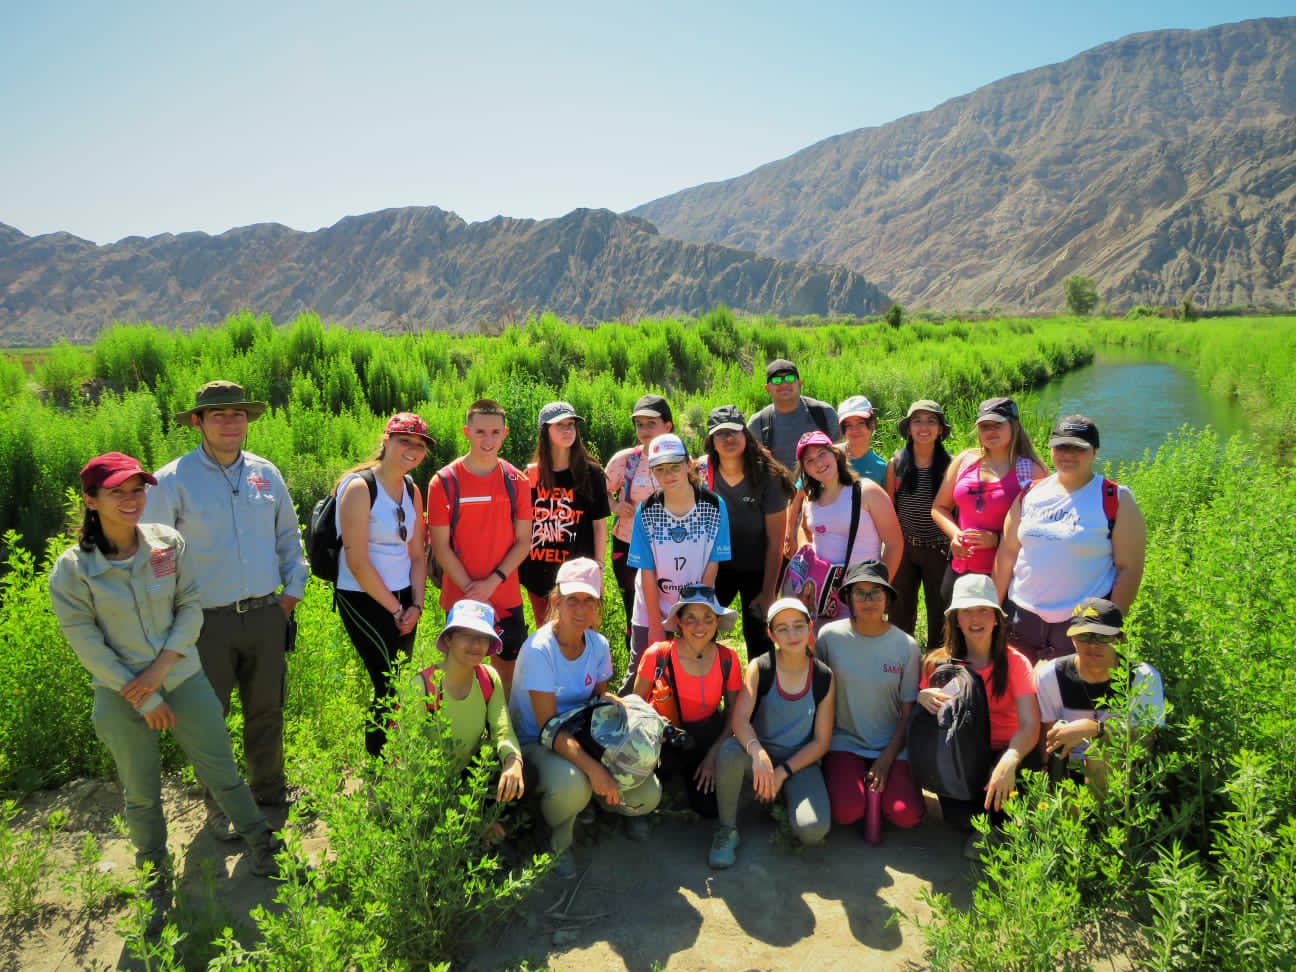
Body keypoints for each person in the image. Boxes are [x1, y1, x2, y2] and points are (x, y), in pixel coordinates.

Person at [50, 453, 282, 933]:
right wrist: (142, 696)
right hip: (120, 695)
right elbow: (87, 643)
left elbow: (190, 606)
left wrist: (158, 675)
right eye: (117, 492)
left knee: (222, 771)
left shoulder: (166, 543)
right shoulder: (74, 570)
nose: (131, 500)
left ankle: (262, 844)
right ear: (91, 500)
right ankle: (155, 879)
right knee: (141, 794)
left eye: (137, 489)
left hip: (182, 678)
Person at [144, 380, 308, 839]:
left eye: (238, 414)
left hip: (265, 614)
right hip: (204, 622)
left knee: (267, 708)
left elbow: (288, 538)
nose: (231, 423)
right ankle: (218, 805)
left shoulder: (265, 474)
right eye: (219, 415)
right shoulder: (171, 480)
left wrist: (290, 596)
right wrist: (171, 618)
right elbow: (155, 556)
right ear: (197, 422)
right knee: (208, 719)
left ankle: (269, 790)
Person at [509, 558, 661, 878]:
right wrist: (595, 769)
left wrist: (620, 711)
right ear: (556, 601)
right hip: (537, 743)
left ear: (598, 606)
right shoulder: (539, 650)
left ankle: (596, 803)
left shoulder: (598, 645)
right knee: (573, 785)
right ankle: (555, 840)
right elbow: (548, 728)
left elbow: (595, 706)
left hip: (579, 735)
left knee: (649, 794)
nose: (581, 609)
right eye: (573, 599)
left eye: (589, 600)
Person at [993, 415, 1147, 665]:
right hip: (1021, 617)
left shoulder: (1115, 498)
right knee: (1017, 686)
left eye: (1078, 448)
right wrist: (993, 608)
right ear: (1051, 449)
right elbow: (1007, 553)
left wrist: (1109, 625)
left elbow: (1129, 568)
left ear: (1094, 452)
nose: (1068, 454)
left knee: (1073, 687)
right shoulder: (1030, 493)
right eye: (1061, 446)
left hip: (1082, 622)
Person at [918, 573, 1040, 858]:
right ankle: (990, 824)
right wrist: (922, 699)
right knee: (958, 818)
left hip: (1009, 749)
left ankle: (999, 823)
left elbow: (1030, 724)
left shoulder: (1015, 662)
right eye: (967, 611)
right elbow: (927, 721)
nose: (975, 618)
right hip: (962, 753)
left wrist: (1009, 760)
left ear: (996, 618)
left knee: (1004, 803)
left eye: (984, 610)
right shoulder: (939, 663)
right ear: (956, 620)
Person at [711, 597, 834, 868]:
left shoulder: (823, 676)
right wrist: (757, 752)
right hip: (760, 759)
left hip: (799, 763)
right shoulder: (761, 667)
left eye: (798, 626)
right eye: (782, 628)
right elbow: (740, 719)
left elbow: (821, 741)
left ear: (810, 627)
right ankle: (727, 829)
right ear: (771, 634)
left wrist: (782, 772)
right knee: (730, 752)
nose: (792, 635)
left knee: (813, 830)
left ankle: (780, 795)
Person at [334, 413, 431, 757]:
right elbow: (357, 562)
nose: (412, 450)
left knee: (399, 679)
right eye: (405, 441)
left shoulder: (412, 489)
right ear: (386, 440)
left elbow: (417, 554)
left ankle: (393, 757)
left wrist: (416, 606)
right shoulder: (359, 488)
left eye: (419, 445)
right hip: (362, 597)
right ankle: (379, 767)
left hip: (404, 596)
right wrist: (396, 609)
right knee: (388, 681)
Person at [427, 399, 533, 695]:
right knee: (459, 676)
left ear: (505, 434)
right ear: (467, 432)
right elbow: (440, 547)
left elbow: (523, 541)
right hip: (460, 598)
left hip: (505, 596)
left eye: (495, 432)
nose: (488, 440)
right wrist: (473, 590)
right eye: (480, 432)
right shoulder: (443, 482)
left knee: (506, 677)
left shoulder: (517, 481)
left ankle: (502, 724)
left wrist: (491, 583)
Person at [815, 561, 926, 838]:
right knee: (846, 811)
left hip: (892, 745)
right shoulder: (829, 637)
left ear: (887, 598)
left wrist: (886, 760)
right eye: (860, 593)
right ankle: (856, 791)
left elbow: (907, 713)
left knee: (906, 814)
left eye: (876, 592)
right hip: (844, 741)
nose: (869, 600)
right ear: (849, 598)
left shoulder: (906, 646)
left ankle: (886, 796)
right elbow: (817, 699)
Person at [620, 433, 731, 694]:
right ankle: (630, 715)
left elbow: (712, 564)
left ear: (688, 464)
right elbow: (647, 571)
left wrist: (696, 614)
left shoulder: (714, 506)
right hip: (651, 607)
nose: (668, 475)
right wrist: (655, 626)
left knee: (690, 672)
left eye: (674, 466)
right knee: (642, 671)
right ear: (652, 472)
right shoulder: (646, 510)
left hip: (696, 605)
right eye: (660, 469)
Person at [633, 586, 743, 820]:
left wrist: (713, 755)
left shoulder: (728, 659)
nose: (699, 626)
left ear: (717, 621)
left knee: (710, 809)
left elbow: (734, 713)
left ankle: (685, 782)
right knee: (657, 779)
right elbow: (635, 707)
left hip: (704, 739)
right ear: (679, 622)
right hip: (663, 737)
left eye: (708, 618)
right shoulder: (658, 655)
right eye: (690, 618)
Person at [1037, 598, 1165, 796]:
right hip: (1068, 769)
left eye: (1103, 637)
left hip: (1122, 773)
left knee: (1097, 755)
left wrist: (1096, 730)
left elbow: (1145, 743)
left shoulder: (1143, 677)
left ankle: (1104, 816)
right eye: (1084, 636)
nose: (1093, 645)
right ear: (1072, 639)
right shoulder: (1051, 675)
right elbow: (1047, 742)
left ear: (1121, 639)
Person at [699, 404, 794, 660]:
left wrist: (768, 591)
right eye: (721, 433)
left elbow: (776, 541)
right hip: (716, 567)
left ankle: (761, 684)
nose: (728, 438)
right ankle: (704, 681)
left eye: (734, 431)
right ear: (711, 441)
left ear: (745, 434)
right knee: (701, 630)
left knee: (758, 637)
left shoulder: (768, 476)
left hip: (758, 568)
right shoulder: (701, 473)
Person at [931, 396, 1047, 601]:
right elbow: (939, 507)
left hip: (1007, 576)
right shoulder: (965, 461)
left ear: (1015, 426)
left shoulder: (1031, 471)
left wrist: (997, 539)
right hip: (961, 570)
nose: (990, 432)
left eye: (997, 425)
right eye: (984, 426)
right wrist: (955, 535)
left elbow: (1041, 531)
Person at [416, 600, 525, 802]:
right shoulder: (422, 686)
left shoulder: (488, 678)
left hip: (472, 780)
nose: (476, 644)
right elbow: (405, 755)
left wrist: (513, 760)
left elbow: (503, 730)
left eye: (483, 637)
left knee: (528, 776)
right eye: (467, 635)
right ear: (448, 639)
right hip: (428, 789)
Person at [794, 430, 902, 623]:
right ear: (805, 470)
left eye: (822, 454)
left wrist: (879, 590)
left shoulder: (867, 491)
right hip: (822, 599)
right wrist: (808, 555)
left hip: (862, 597)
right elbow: (804, 529)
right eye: (809, 461)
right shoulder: (810, 498)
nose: (818, 463)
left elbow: (894, 544)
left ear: (835, 454)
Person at [520, 401, 610, 627]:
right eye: (559, 425)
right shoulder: (531, 475)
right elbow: (522, 526)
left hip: (579, 574)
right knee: (547, 637)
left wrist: (598, 568)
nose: (567, 430)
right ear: (545, 431)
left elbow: (599, 525)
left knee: (582, 635)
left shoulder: (591, 473)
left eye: (571, 424)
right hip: (538, 574)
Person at [605, 394, 672, 652]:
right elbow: (600, 491)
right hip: (628, 545)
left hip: (670, 548)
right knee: (634, 607)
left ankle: (668, 658)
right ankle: (637, 661)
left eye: (651, 423)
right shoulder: (625, 460)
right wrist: (615, 506)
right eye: (639, 424)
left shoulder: (680, 461)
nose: (644, 430)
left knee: (668, 605)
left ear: (667, 426)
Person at [886, 400, 954, 650]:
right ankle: (900, 655)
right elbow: (891, 507)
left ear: (940, 429)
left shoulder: (951, 465)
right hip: (905, 547)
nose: (923, 427)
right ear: (908, 429)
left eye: (931, 421)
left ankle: (938, 658)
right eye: (917, 421)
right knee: (899, 606)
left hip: (939, 548)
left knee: (940, 608)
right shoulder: (896, 463)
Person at [748, 358, 841, 472]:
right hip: (779, 483)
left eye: (790, 378)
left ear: (800, 383)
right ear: (767, 389)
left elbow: (840, 455)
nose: (784, 384)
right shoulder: (757, 424)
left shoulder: (823, 413)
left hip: (822, 482)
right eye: (776, 380)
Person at [837, 395, 887, 487]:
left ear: (872, 424)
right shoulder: (830, 456)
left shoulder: (881, 467)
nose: (855, 429)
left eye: (860, 423)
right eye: (848, 425)